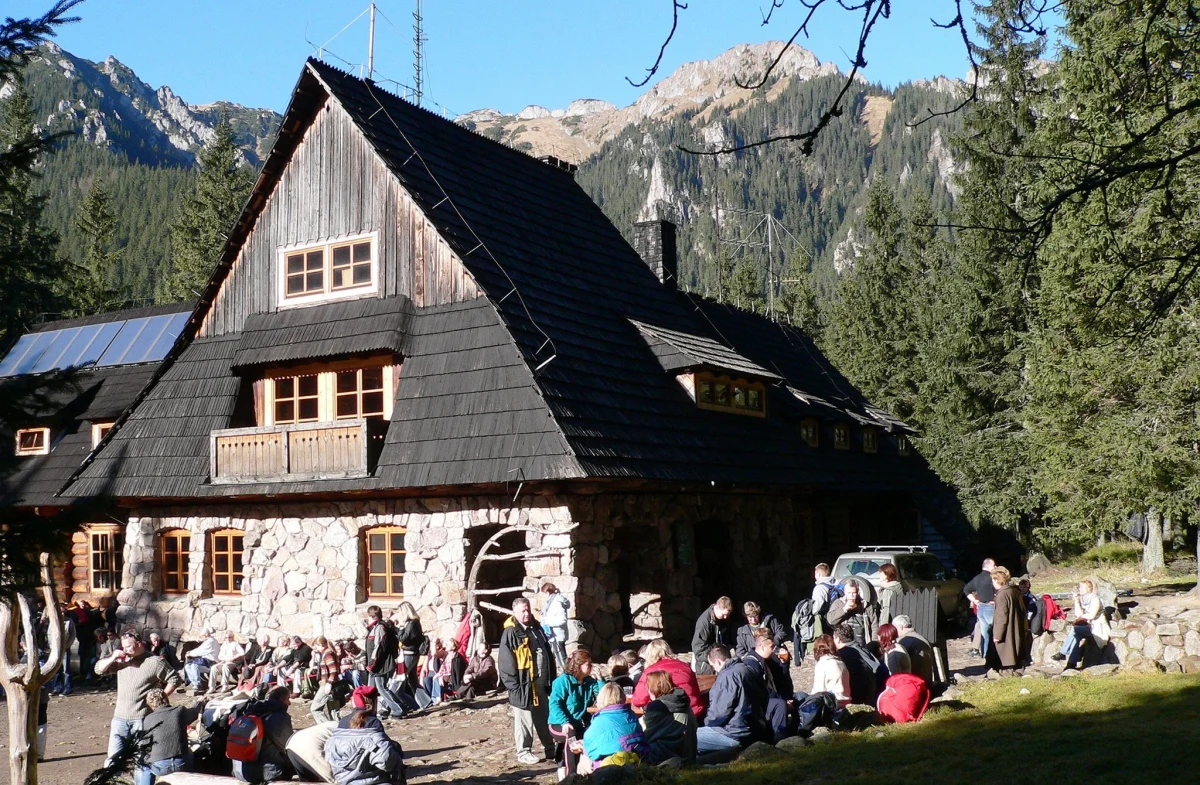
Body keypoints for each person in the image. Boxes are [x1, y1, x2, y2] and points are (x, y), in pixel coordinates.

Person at [95, 630, 183, 768]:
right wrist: (113, 657)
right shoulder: (122, 661)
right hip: (119, 718)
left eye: (128, 647)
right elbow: (98, 670)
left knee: (142, 761)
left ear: (139, 644)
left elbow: (175, 679)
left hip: (142, 719)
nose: (125, 650)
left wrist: (160, 698)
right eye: (123, 647)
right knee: (112, 761)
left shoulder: (154, 662)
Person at [498, 596, 556, 765]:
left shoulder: (536, 628)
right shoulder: (510, 632)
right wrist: (513, 686)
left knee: (544, 717)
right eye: (523, 610)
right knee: (523, 720)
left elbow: (546, 653)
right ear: (515, 612)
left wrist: (550, 679)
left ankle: (550, 749)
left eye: (528, 609)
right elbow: (505, 662)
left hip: (540, 683)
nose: (527, 613)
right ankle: (524, 752)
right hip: (522, 684)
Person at [695, 645, 769, 755]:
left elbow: (718, 714)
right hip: (754, 728)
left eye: (712, 666)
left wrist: (705, 723)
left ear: (718, 662)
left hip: (734, 733)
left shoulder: (727, 677)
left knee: (687, 736)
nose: (714, 670)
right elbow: (765, 696)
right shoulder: (748, 669)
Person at [135, 688, 205, 785]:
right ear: (166, 698)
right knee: (190, 751)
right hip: (182, 763)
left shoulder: (147, 720)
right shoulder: (179, 711)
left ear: (149, 704)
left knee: (144, 766)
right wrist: (199, 702)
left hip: (160, 766)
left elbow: (145, 747)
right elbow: (194, 713)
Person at [548, 648, 601, 776]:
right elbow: (554, 704)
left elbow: (604, 695)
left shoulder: (588, 681)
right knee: (570, 735)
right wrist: (564, 721)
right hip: (559, 723)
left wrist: (599, 679)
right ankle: (571, 775)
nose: (591, 667)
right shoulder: (562, 682)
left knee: (593, 732)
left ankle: (590, 770)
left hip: (579, 722)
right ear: (578, 665)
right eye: (588, 664)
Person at [324, 704, 406, 785]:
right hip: (376, 781)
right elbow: (386, 763)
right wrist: (396, 756)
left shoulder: (333, 740)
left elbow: (332, 767)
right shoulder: (373, 732)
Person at [232, 685, 295, 783]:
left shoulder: (249, 712)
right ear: (282, 699)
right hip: (269, 772)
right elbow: (287, 745)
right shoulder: (279, 717)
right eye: (288, 699)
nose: (289, 703)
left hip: (241, 771)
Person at [741, 627, 794, 742]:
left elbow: (783, 683)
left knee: (799, 697)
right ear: (763, 646)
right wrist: (783, 700)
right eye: (771, 647)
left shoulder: (769, 660)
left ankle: (796, 732)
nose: (774, 649)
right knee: (780, 704)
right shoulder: (751, 664)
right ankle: (779, 739)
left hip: (771, 698)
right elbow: (762, 692)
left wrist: (784, 664)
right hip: (757, 705)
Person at [630, 639, 705, 718]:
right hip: (694, 712)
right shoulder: (685, 666)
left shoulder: (650, 672)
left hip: (670, 716)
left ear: (649, 655)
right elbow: (696, 691)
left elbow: (638, 700)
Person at [639, 670, 697, 764]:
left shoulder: (657, 709)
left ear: (652, 688)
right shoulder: (682, 701)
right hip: (688, 752)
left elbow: (645, 734)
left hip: (664, 756)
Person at [582, 683, 646, 766]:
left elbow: (590, 752)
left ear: (601, 698)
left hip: (610, 765)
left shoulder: (600, 721)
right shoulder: (631, 715)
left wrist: (581, 748)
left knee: (583, 761)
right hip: (635, 760)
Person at [1053, 579, 1110, 668]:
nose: (1080, 589)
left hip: (1098, 629)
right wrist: (1076, 601)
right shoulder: (1084, 599)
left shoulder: (1095, 599)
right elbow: (1078, 614)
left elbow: (1091, 615)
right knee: (1076, 637)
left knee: (1075, 630)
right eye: (1080, 587)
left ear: (1089, 588)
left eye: (1082, 587)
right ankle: (1071, 664)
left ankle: (1064, 653)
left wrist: (1081, 617)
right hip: (1090, 627)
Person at [364, 606, 406, 720]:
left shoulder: (380, 628)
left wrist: (372, 663)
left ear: (373, 616)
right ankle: (370, 712)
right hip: (375, 664)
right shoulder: (376, 627)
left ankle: (398, 709)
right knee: (371, 689)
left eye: (369, 616)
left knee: (381, 688)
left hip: (380, 664)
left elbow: (379, 648)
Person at [990, 566, 1030, 671]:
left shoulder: (1002, 595)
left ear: (997, 580)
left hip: (1007, 631)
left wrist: (997, 635)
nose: (992, 583)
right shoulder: (1013, 591)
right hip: (1015, 627)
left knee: (1004, 657)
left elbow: (1001, 616)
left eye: (993, 580)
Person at [832, 623, 879, 705]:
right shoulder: (863, 650)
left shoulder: (842, 656)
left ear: (838, 639)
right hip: (872, 693)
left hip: (856, 698)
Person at [963, 557, 998, 660]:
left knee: (984, 635)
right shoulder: (992, 578)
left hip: (980, 607)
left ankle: (985, 655)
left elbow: (966, 589)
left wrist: (974, 600)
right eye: (994, 565)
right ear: (989, 567)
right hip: (990, 607)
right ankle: (994, 656)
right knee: (995, 632)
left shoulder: (977, 578)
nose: (995, 567)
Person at [691, 596, 734, 676]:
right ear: (717, 608)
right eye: (723, 614)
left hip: (720, 661)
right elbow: (698, 650)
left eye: (727, 615)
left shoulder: (723, 619)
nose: (725, 617)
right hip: (707, 666)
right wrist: (714, 657)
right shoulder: (703, 623)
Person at [805, 634, 850, 707]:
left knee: (800, 697)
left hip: (833, 704)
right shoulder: (841, 662)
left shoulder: (822, 664)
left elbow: (818, 690)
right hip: (846, 701)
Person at [827, 581, 878, 646]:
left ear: (858, 592)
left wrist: (874, 644)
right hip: (844, 644)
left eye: (854, 593)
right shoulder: (838, 603)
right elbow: (830, 620)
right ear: (845, 592)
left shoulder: (865, 605)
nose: (851, 596)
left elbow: (874, 625)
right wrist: (844, 609)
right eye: (849, 593)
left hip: (862, 644)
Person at [393, 602, 424, 698]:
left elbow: (404, 639)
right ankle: (426, 702)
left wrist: (399, 628)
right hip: (413, 653)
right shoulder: (415, 622)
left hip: (409, 654)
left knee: (399, 677)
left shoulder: (411, 623)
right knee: (412, 679)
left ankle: (387, 704)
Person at [893, 615, 936, 683]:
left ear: (900, 627)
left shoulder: (904, 642)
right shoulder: (923, 639)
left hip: (914, 684)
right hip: (927, 683)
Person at [541, 583, 571, 672]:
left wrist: (548, 623)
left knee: (562, 656)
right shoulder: (551, 601)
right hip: (552, 635)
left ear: (547, 592)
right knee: (556, 656)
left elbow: (562, 619)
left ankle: (567, 672)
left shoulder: (557, 602)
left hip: (557, 634)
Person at [811, 563, 841, 638]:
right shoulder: (836, 583)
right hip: (837, 616)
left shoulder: (819, 588)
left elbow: (817, 608)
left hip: (826, 620)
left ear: (818, 574)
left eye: (815, 574)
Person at [50, 608, 76, 695]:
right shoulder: (53, 621)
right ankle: (57, 687)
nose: (61, 613)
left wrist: (67, 645)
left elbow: (73, 635)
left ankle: (68, 688)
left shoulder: (69, 622)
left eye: (63, 611)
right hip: (55, 649)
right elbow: (49, 633)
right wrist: (51, 645)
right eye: (59, 611)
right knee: (56, 669)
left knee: (66, 670)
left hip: (65, 649)